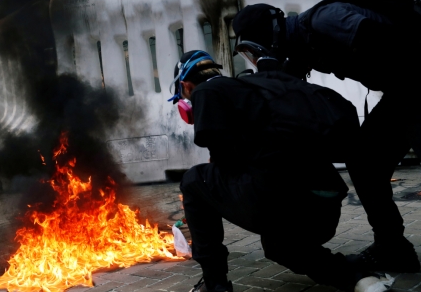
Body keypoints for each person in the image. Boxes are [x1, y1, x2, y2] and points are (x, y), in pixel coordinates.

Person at [231, 0, 421, 273]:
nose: (254, 56)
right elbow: (281, 88)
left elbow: (394, 44)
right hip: (404, 92)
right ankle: (393, 247)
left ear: (269, 35)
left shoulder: (325, 20)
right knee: (365, 161)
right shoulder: (302, 45)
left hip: (419, 82)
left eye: (254, 48)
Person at [169, 50, 394, 292]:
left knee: (193, 181)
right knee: (277, 246)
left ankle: (214, 285)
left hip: (279, 205)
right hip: (324, 210)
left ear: (186, 86)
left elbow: (223, 166)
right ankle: (358, 278)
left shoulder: (207, 92)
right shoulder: (257, 86)